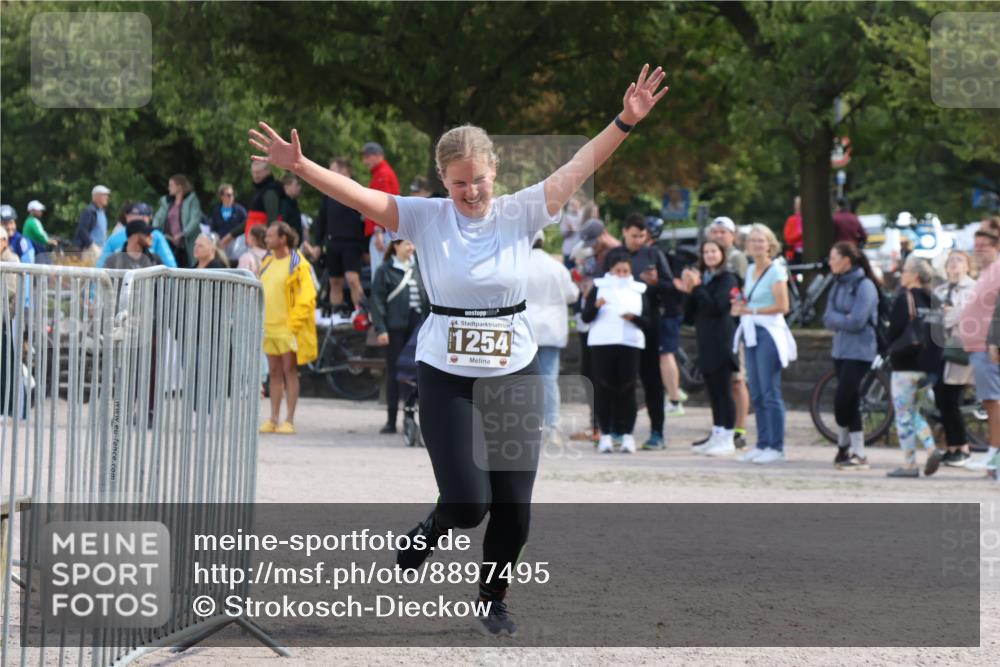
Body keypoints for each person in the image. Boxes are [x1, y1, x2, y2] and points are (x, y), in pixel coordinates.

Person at [248, 62, 668, 635]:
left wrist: (625, 120)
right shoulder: (424, 218)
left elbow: (578, 166)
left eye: (479, 180)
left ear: (495, 171)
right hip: (446, 371)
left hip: (514, 371)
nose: (471, 192)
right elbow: (359, 194)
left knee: (514, 510)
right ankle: (434, 526)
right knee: (469, 504)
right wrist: (300, 167)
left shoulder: (521, 211)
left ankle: (491, 599)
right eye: (459, 182)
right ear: (442, 180)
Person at [732, 223, 796, 464]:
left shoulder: (776, 271)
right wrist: (741, 307)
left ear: (770, 244)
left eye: (761, 240)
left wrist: (752, 309)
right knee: (756, 390)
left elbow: (783, 306)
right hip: (751, 330)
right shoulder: (749, 271)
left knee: (770, 390)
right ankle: (762, 442)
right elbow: (748, 298)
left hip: (768, 331)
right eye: (753, 240)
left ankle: (776, 446)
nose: (756, 244)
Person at [582, 247, 652, 454]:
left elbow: (648, 321)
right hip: (602, 343)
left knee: (627, 388)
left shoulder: (639, 289)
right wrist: (596, 306)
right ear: (610, 270)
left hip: (629, 343)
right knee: (603, 388)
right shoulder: (599, 287)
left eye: (625, 271)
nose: (621, 275)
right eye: (618, 271)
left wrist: (634, 318)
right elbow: (586, 317)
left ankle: (627, 434)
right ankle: (605, 434)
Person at [676, 240, 740, 455]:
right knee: (712, 391)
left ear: (722, 254)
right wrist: (688, 291)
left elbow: (716, 307)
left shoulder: (727, 279)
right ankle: (717, 432)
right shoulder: (704, 280)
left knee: (723, 390)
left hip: (721, 341)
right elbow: (689, 315)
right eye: (706, 252)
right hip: (705, 341)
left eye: (714, 251)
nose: (710, 255)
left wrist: (697, 287)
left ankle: (729, 437)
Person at [822, 241, 880, 470]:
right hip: (840, 349)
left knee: (843, 398)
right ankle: (849, 450)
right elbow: (827, 317)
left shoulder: (865, 286)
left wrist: (842, 319)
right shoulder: (837, 284)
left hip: (860, 351)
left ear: (846, 260)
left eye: (833, 257)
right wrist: (842, 318)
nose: (830, 262)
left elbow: (857, 321)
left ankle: (852, 448)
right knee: (850, 401)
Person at [621, 214, 675, 450]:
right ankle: (621, 431)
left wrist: (656, 283)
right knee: (623, 382)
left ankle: (657, 432)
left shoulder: (654, 254)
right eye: (634, 236)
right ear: (624, 232)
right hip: (620, 328)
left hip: (648, 326)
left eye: (642, 236)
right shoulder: (616, 256)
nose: (638, 240)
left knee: (652, 381)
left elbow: (671, 288)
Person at [258, 222, 318, 435]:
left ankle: (289, 419)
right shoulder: (266, 261)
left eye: (271, 235)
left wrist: (294, 324)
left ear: (283, 238)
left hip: (288, 327)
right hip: (269, 325)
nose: (267, 239)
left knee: (289, 370)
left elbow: (307, 295)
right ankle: (273, 418)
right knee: (274, 372)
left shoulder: (298, 263)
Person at [886, 257, 942, 478]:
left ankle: (909, 465)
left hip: (905, 365)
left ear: (916, 275)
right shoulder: (934, 300)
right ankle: (930, 448)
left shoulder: (904, 298)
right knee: (914, 412)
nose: (902, 274)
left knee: (902, 415)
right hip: (928, 368)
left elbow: (894, 331)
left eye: (906, 271)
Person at [525, 230, 580, 446]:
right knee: (549, 379)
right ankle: (552, 426)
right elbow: (572, 295)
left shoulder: (518, 265)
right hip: (550, 330)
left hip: (525, 330)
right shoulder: (556, 267)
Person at [371, 239, 429, 435]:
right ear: (395, 246)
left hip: (417, 326)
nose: (411, 247)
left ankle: (410, 417)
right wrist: (381, 329)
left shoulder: (419, 268)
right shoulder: (385, 270)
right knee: (394, 374)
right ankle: (391, 419)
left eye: (412, 244)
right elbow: (377, 300)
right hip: (395, 326)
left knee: (414, 374)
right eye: (406, 244)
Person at [926, 250, 978, 473]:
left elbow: (967, 315)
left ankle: (962, 448)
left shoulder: (973, 289)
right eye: (950, 261)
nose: (954, 264)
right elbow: (933, 320)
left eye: (959, 260)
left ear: (968, 265)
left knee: (950, 396)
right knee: (942, 397)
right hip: (940, 348)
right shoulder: (939, 290)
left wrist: (950, 314)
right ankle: (954, 445)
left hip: (961, 349)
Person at [958, 228, 1000, 473]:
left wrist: (995, 341)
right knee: (989, 402)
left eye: (984, 245)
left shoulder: (997, 272)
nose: (979, 250)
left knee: (994, 402)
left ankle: (995, 455)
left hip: (988, 347)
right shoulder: (986, 273)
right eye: (977, 245)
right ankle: (993, 454)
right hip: (978, 346)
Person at [706, 215, 750, 449]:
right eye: (715, 231)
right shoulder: (710, 258)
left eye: (723, 232)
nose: (719, 235)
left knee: (736, 380)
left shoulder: (737, 259)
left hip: (734, 328)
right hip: (717, 330)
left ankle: (739, 428)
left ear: (733, 235)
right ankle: (721, 428)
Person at [310, 158, 366, 314]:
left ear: (343, 170)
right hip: (333, 242)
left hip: (352, 242)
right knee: (334, 280)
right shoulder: (328, 191)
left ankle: (360, 313)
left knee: (352, 279)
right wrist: (317, 244)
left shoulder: (356, 188)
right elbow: (322, 219)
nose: (329, 172)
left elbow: (365, 218)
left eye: (332, 168)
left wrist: (365, 246)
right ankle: (336, 314)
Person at [361, 142, 400, 280]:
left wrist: (378, 230)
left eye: (367, 157)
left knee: (380, 274)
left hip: (383, 232)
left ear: (378, 156)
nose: (364, 161)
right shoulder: (382, 172)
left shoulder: (382, 174)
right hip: (386, 230)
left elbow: (384, 204)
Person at [97, 202, 178, 268]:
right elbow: (171, 267)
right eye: (143, 215)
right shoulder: (157, 235)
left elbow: (100, 270)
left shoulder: (113, 238)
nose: (146, 218)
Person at [152, 174, 203, 268]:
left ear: (179, 187)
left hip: (186, 245)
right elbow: (158, 217)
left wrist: (182, 234)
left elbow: (195, 220)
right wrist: (154, 229)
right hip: (170, 243)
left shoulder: (192, 200)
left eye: (171, 185)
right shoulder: (167, 202)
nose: (168, 188)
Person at [209, 183, 248, 261]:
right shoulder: (216, 210)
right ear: (222, 196)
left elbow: (246, 225)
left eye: (232, 194)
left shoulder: (240, 210)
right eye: (229, 195)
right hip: (220, 247)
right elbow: (213, 229)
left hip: (237, 249)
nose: (231, 197)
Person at [73, 185, 111, 260]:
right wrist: (92, 245)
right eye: (104, 195)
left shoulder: (101, 211)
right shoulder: (89, 211)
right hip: (90, 250)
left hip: (101, 248)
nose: (107, 198)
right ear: (97, 196)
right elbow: (82, 229)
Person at [247, 161, 285, 233]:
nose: (255, 175)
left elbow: (273, 221)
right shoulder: (261, 189)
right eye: (253, 172)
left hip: (264, 239)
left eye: (258, 172)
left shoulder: (270, 191)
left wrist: (268, 239)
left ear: (268, 171)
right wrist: (231, 235)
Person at [559, 195, 585, 266]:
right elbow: (563, 233)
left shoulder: (583, 214)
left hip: (580, 249)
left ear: (579, 204)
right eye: (572, 204)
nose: (573, 206)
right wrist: (570, 230)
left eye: (575, 204)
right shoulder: (566, 216)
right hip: (568, 249)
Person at [280, 173, 304, 241]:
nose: (299, 187)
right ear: (287, 186)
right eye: (296, 185)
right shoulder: (283, 204)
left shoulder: (294, 203)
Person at [783, 196, 803, 263]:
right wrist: (800, 235)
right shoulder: (791, 220)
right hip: (794, 253)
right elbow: (788, 238)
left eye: (800, 204)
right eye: (796, 204)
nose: (798, 207)